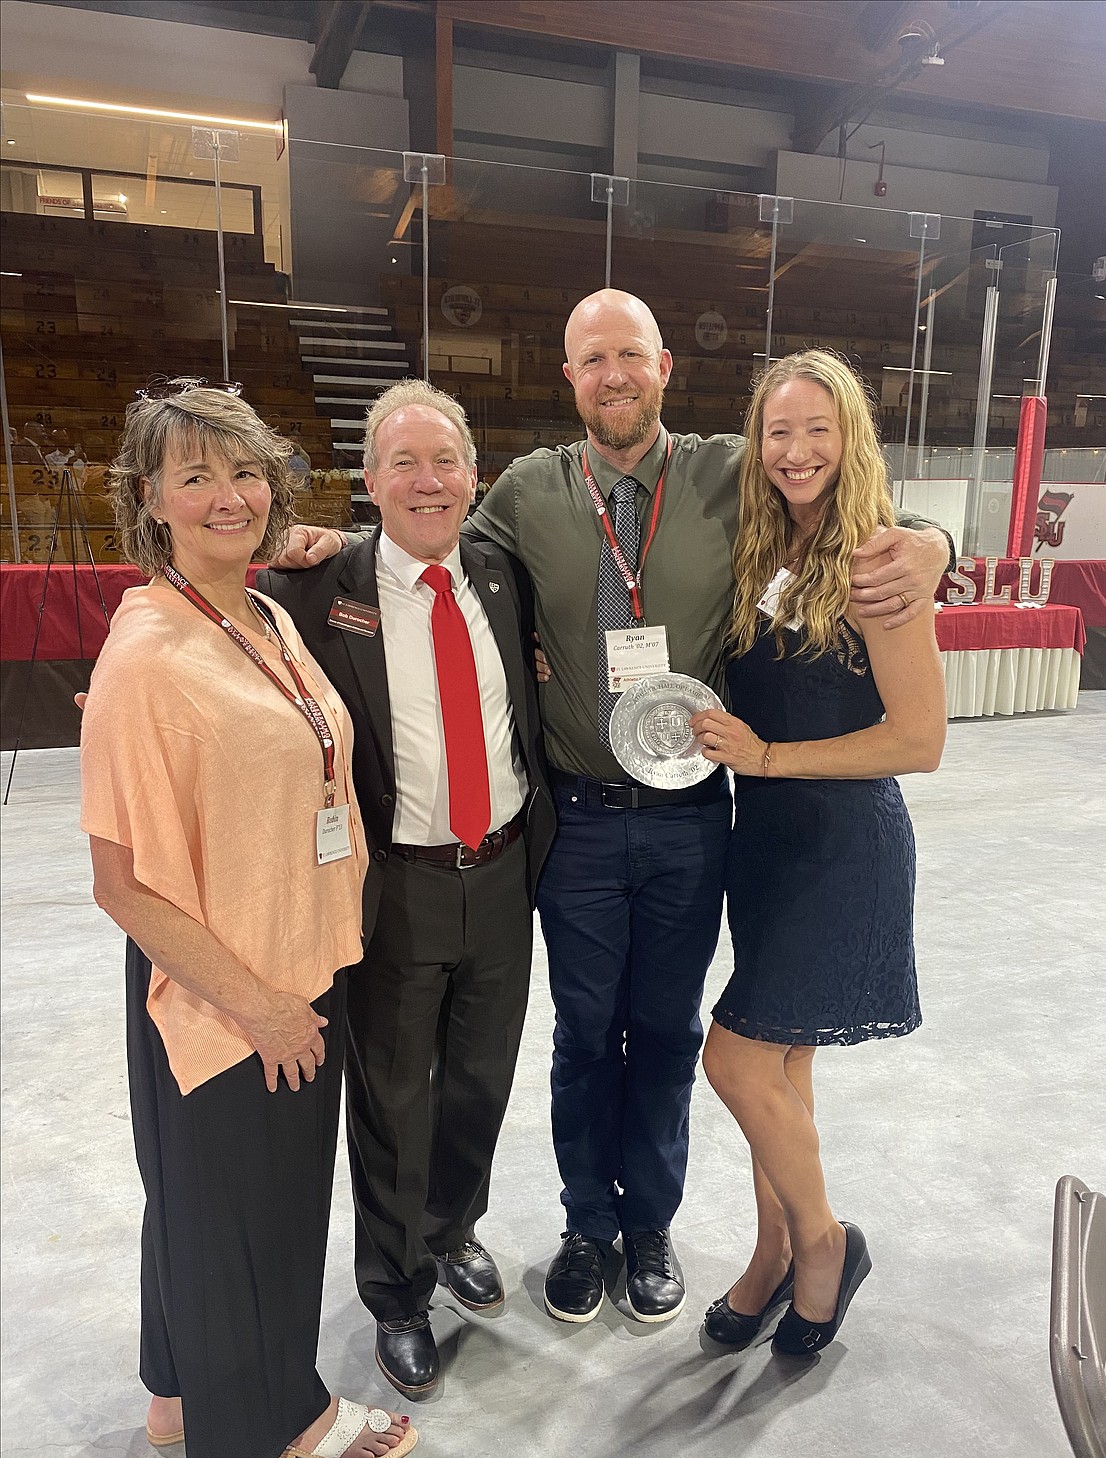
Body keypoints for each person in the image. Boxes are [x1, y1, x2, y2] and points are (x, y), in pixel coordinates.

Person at [276, 289, 952, 1330]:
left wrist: (933, 539)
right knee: (586, 1032)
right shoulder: (528, 491)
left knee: (671, 1032)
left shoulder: (737, 466)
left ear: (666, 365)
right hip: (579, 818)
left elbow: (844, 495)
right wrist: (333, 540)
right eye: (593, 359)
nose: (616, 375)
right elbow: (429, 535)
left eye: (631, 354)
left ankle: (652, 1228)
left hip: (696, 817)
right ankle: (587, 1223)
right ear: (571, 378)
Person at [80, 381, 414, 1458]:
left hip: (287, 950)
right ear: (150, 501)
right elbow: (119, 881)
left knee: (192, 1196)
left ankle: (177, 1389)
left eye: (245, 471)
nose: (228, 496)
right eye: (195, 475)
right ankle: (286, 1409)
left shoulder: (262, 614)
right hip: (229, 979)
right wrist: (264, 1006)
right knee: (256, 1208)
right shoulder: (148, 656)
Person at [259, 382, 554, 1397]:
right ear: (371, 480)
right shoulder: (312, 588)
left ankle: (450, 1229)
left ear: (474, 473)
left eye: (446, 461)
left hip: (506, 869)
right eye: (405, 462)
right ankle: (395, 1290)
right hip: (396, 884)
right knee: (391, 1095)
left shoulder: (502, 571)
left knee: (479, 1080)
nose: (429, 481)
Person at [690, 349, 946, 1356]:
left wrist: (765, 754)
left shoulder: (880, 560)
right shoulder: (771, 547)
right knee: (783, 1065)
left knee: (738, 1055)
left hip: (842, 850)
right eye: (778, 431)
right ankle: (772, 1254)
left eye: (816, 430)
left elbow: (918, 741)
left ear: (852, 438)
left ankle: (827, 1241)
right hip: (767, 846)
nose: (796, 451)